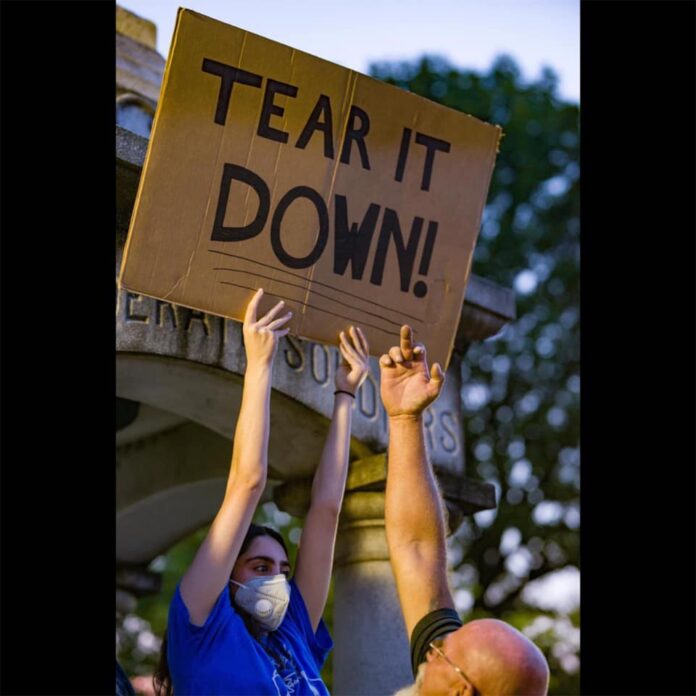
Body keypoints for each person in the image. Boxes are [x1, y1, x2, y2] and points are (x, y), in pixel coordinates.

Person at [152, 288, 371, 696]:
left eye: (282, 571)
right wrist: (259, 365)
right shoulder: (202, 629)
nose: (277, 581)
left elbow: (326, 511)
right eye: (260, 567)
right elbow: (248, 482)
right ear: (225, 573)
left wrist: (346, 393)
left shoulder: (292, 635)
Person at [380, 325, 550, 696]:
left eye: (442, 652)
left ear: (462, 691)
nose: (429, 652)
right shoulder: (448, 675)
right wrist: (405, 419)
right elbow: (417, 549)